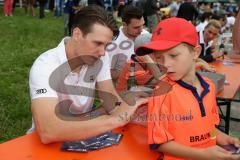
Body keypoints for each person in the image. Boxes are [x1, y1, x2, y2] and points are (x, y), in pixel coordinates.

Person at [28, 6, 147, 144]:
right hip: (47, 146)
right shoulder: (45, 65)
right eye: (97, 43)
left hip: (84, 136)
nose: (103, 52)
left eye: (107, 46)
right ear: (77, 34)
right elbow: (49, 131)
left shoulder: (99, 56)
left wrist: (135, 111)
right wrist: (114, 120)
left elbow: (111, 102)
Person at [135, 17, 240, 160]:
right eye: (159, 57)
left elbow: (210, 128)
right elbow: (159, 143)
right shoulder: (161, 93)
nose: (166, 64)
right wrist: (203, 154)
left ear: (195, 53)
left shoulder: (209, 85)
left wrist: (223, 139)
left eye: (173, 55)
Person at [107, 5, 148, 81]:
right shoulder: (114, 44)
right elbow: (108, 73)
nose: (141, 30)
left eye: (142, 25)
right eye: (136, 27)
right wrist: (131, 71)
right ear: (124, 25)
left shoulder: (145, 35)